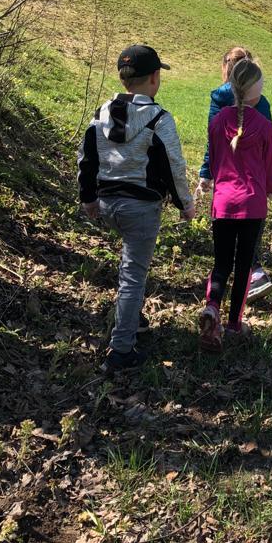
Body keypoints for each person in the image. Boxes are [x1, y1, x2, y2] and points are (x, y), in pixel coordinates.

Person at [78, 44, 195, 373]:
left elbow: (87, 158)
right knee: (133, 277)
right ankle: (121, 351)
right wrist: (186, 204)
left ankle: (132, 318)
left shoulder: (100, 113)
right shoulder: (159, 119)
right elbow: (175, 167)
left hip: (107, 205)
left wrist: (88, 199)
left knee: (130, 270)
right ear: (155, 78)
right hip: (140, 209)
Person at [199, 58, 272, 349]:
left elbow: (215, 159)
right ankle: (234, 324)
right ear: (257, 90)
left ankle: (212, 308)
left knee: (221, 263)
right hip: (252, 206)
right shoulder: (266, 127)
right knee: (243, 266)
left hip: (223, 203)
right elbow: (269, 171)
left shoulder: (217, 121)